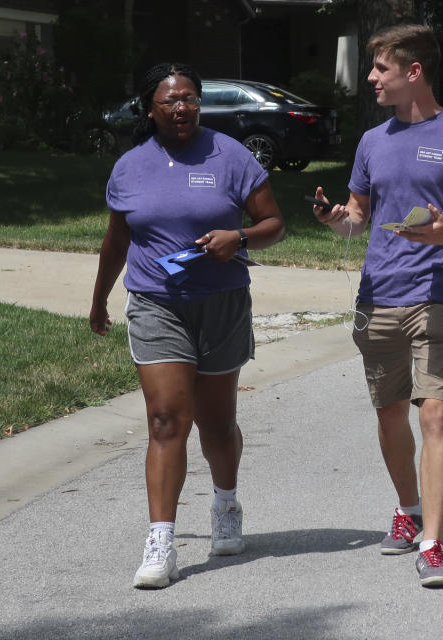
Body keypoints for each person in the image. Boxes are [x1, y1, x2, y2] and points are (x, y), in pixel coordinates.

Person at [311, 24, 443, 587]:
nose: (371, 78)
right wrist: (335, 218)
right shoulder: (373, 141)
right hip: (378, 295)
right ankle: (409, 508)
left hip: (436, 296)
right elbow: (358, 212)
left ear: (413, 73)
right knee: (389, 412)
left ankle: (434, 543)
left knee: (433, 411)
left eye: (380, 69)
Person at [90, 62, 285, 589]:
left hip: (220, 304)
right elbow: (116, 242)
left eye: (190, 99)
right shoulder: (130, 167)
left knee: (217, 423)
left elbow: (273, 225)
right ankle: (161, 541)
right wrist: (99, 300)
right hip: (157, 303)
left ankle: (225, 504)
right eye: (170, 101)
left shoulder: (231, 156)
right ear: (149, 109)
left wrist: (238, 239)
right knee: (165, 421)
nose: (182, 108)